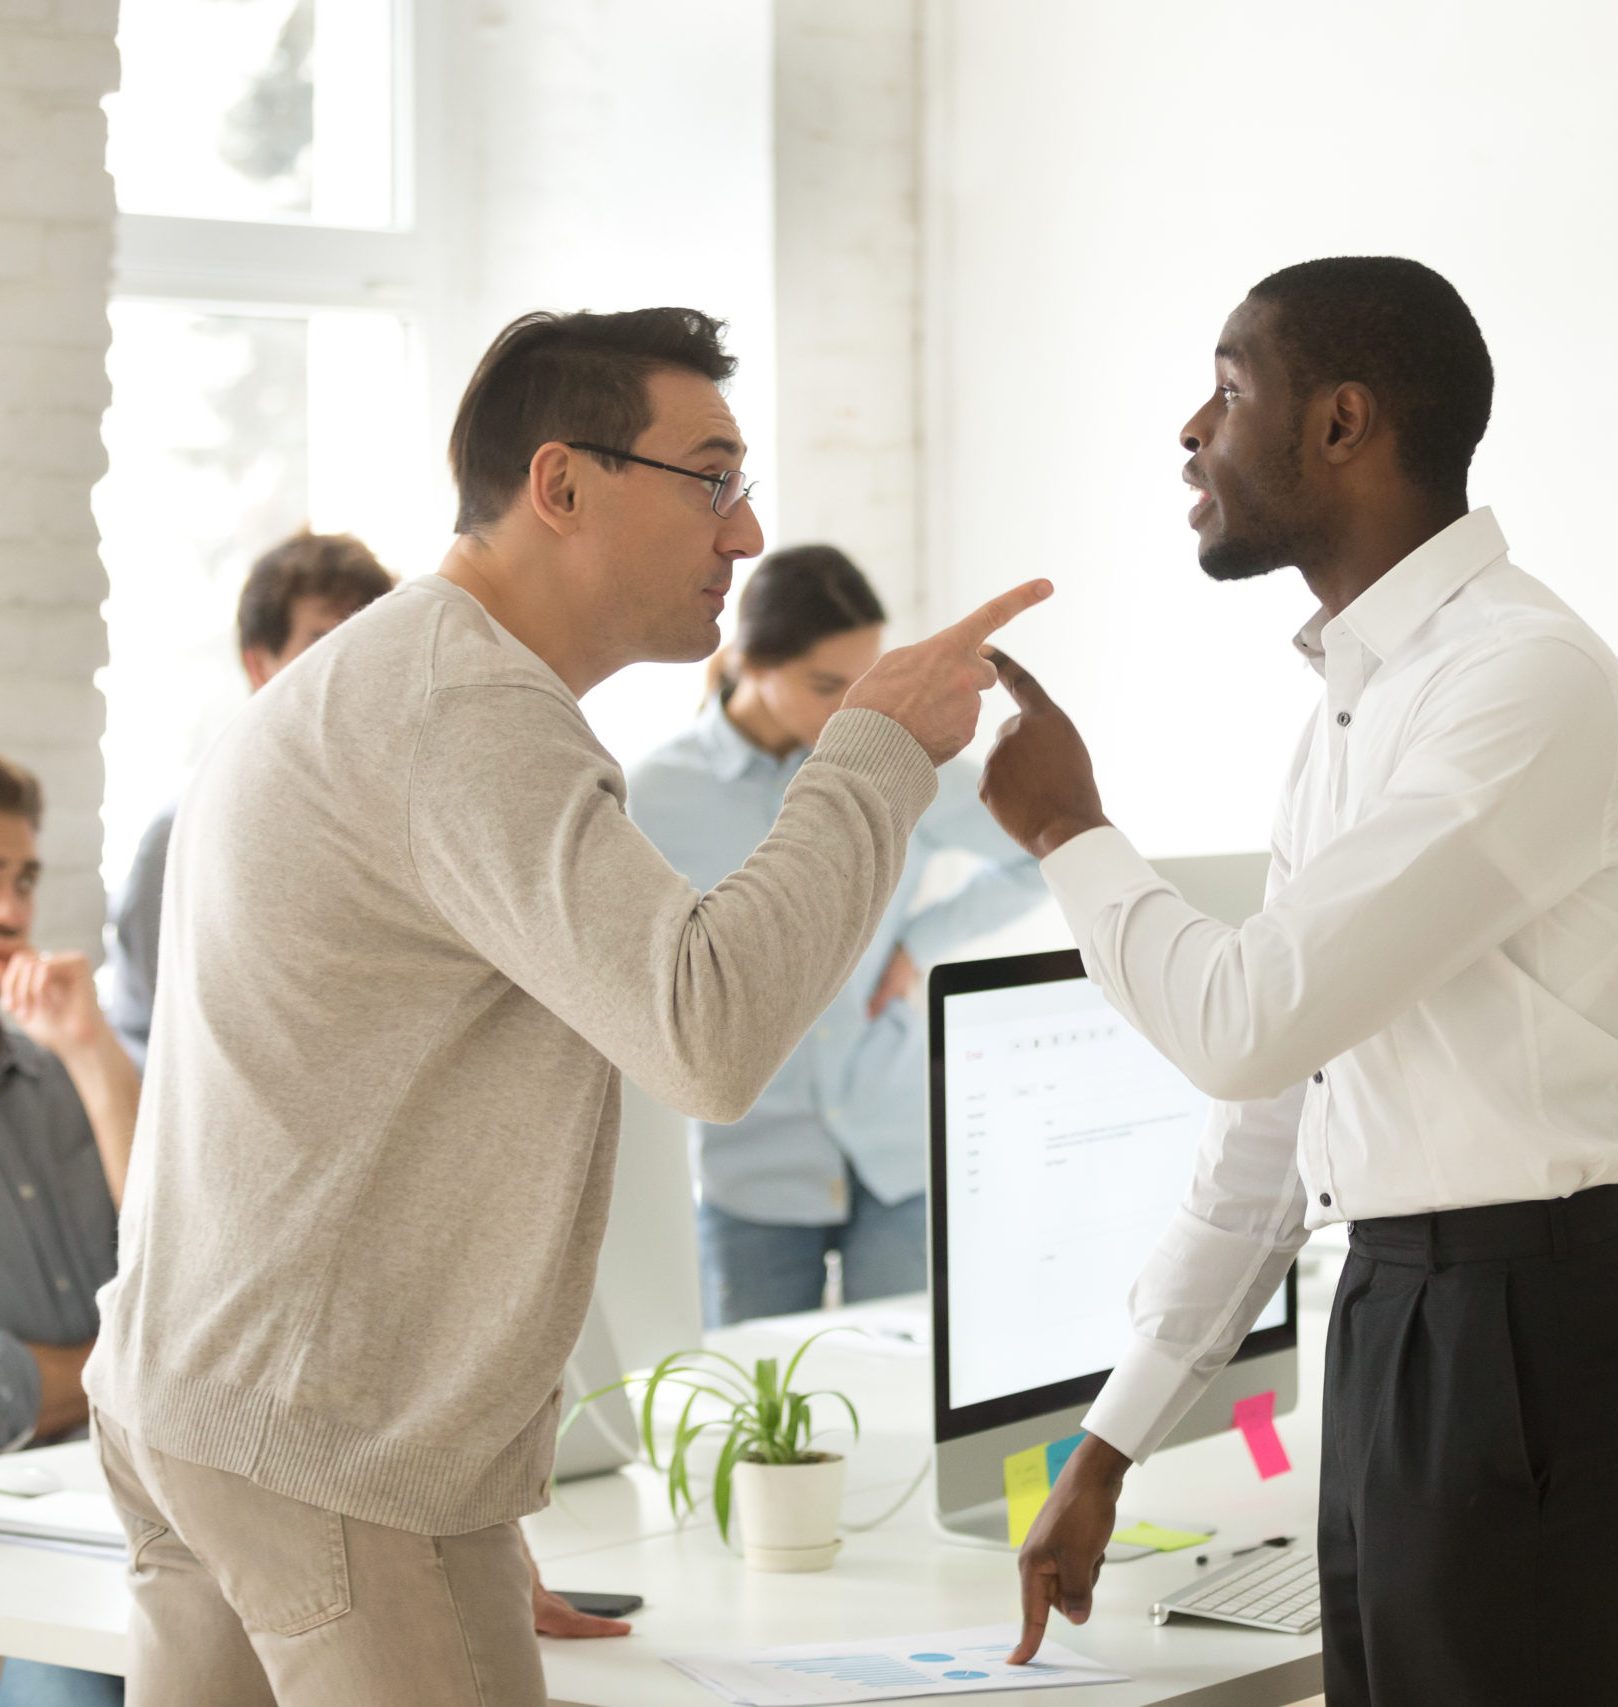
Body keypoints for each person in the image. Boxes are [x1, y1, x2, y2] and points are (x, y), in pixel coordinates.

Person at [80, 306, 1049, 1707]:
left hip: (209, 1415)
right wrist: (878, 748)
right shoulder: (464, 709)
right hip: (321, 1451)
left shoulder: (403, 681)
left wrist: (453, 1492)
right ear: (562, 483)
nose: (748, 529)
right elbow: (706, 1032)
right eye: (711, 475)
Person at [979, 257, 1618, 1704]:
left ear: (1343, 424)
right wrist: (1107, 1443)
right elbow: (1288, 1109)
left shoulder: (1521, 680)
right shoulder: (1358, 704)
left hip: (1522, 1323)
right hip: (1395, 1311)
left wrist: (1068, 827)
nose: (1192, 427)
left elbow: (1244, 1024)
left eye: (1230, 387)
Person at [629, 545, 1044, 1321]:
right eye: (826, 687)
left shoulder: (903, 760)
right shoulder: (657, 794)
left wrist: (915, 944)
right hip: (751, 1166)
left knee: (907, 1401)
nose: (849, 712)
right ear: (748, 662)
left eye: (861, 685)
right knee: (757, 1417)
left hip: (895, 1151)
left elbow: (1040, 853)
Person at [106, 530, 397, 1066]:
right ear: (259, 664)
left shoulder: (397, 827)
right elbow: (151, 1037)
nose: (350, 666)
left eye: (366, 640)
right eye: (322, 643)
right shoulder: (183, 834)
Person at [0, 756, 139, 1707]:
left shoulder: (60, 1073)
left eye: (22, 877)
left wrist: (94, 1058)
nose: (13, 912)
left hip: (95, 1524)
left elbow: (188, 1279)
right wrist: (126, 1369)